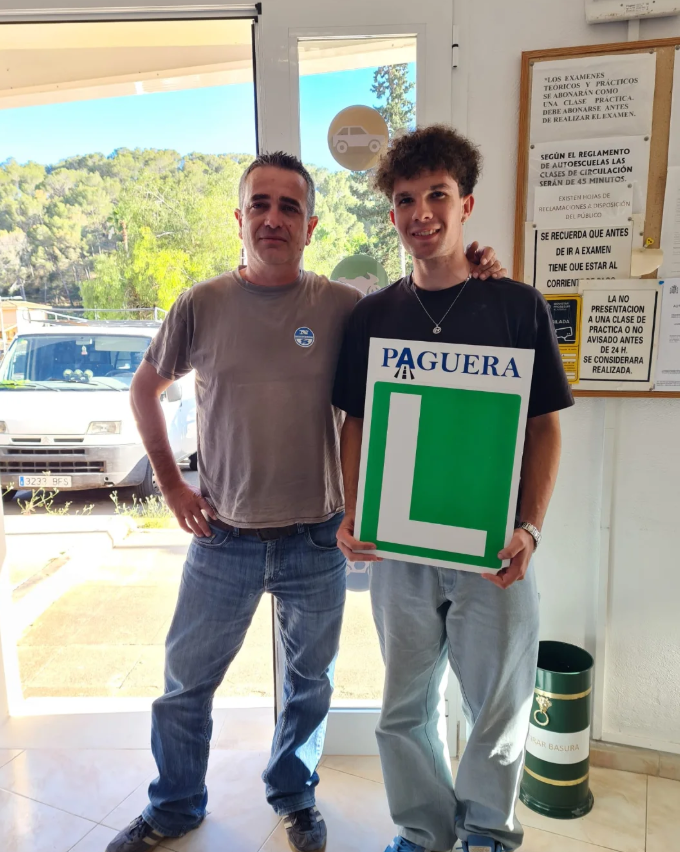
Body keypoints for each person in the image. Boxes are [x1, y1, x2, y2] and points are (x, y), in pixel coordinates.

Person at [106, 150, 506, 852]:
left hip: (317, 541)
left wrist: (479, 277)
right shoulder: (201, 304)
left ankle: (293, 795)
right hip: (222, 539)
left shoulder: (343, 308)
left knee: (308, 686)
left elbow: (424, 317)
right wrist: (172, 486)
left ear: (311, 225)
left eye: (289, 207)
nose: (273, 218)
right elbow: (145, 389)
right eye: (260, 204)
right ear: (240, 217)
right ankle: (173, 806)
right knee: (182, 687)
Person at [333, 125, 574, 852]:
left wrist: (529, 526)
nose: (421, 213)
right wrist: (353, 512)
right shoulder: (372, 316)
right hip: (398, 549)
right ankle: (423, 831)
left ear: (466, 203)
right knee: (402, 707)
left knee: (498, 707)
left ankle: (489, 834)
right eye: (406, 199)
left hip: (489, 547)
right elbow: (354, 422)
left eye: (437, 195)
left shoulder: (515, 305)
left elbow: (544, 427)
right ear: (393, 214)